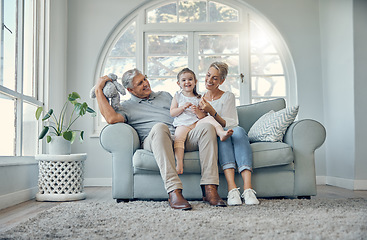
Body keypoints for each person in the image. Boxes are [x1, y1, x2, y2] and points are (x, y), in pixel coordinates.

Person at [94, 68, 227, 210]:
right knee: (160, 127)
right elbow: (111, 118)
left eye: (144, 79)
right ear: (130, 90)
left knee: (206, 127)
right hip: (154, 140)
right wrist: (98, 90)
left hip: (179, 137)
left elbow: (186, 113)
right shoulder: (126, 107)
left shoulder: (165, 96)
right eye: (140, 83)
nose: (145, 83)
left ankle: (210, 188)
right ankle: (174, 191)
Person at [199, 62, 260, 205]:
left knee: (237, 132)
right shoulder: (199, 98)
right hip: (214, 135)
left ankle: (248, 189)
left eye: (215, 78)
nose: (209, 80)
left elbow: (232, 122)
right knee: (223, 138)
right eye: (208, 75)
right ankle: (232, 190)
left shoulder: (228, 96)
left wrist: (212, 111)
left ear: (222, 81)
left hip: (230, 130)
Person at [170, 68, 233, 175]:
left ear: (195, 82)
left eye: (190, 79)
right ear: (178, 83)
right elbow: (172, 112)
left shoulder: (199, 98)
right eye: (184, 80)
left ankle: (221, 132)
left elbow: (203, 116)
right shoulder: (178, 96)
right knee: (178, 137)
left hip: (196, 124)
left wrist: (197, 112)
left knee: (210, 119)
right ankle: (179, 163)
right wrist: (182, 108)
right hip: (183, 124)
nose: (187, 82)